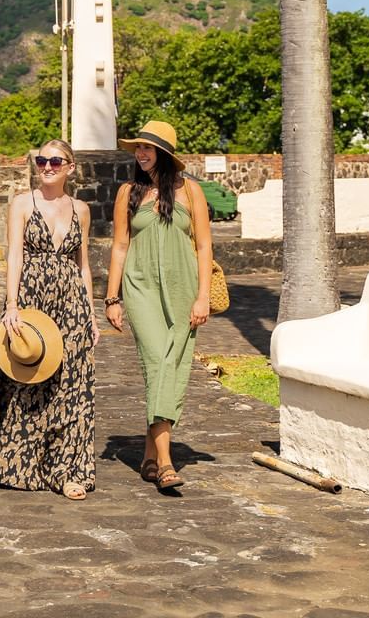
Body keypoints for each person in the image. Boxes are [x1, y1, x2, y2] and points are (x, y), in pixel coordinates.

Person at [0, 138, 100, 499]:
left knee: (72, 388)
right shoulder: (22, 203)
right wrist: (11, 305)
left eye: (55, 161)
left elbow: (82, 265)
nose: (47, 167)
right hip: (32, 301)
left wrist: (91, 314)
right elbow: (15, 258)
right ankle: (18, 462)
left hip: (71, 305)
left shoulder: (80, 209)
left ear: (70, 167)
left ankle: (68, 471)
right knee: (25, 380)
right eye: (41, 161)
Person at [103, 120, 212, 492]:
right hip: (140, 287)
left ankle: (150, 456)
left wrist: (203, 296)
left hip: (184, 289)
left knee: (171, 364)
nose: (141, 153)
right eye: (138, 148)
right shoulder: (128, 192)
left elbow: (203, 246)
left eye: (148, 148)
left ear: (164, 154)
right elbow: (119, 246)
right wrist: (112, 297)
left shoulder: (190, 191)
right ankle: (166, 462)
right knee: (158, 360)